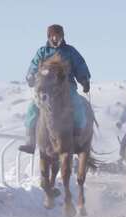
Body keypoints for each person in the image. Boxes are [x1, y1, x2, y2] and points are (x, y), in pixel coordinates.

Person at [18, 24, 91, 154]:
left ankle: (78, 138)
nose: (56, 38)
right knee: (32, 108)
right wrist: (30, 76)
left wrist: (84, 79)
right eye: (53, 36)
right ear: (49, 37)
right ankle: (30, 141)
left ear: (62, 36)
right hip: (45, 89)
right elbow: (34, 65)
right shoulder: (42, 52)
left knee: (78, 105)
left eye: (58, 36)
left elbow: (80, 65)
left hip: (66, 87)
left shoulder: (70, 51)